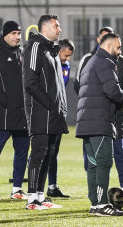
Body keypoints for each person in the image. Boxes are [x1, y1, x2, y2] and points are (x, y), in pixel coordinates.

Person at [75, 26, 123, 197]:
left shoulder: (91, 61)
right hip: (99, 121)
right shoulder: (105, 62)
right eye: (118, 47)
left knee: (94, 164)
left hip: (87, 122)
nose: (119, 51)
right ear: (109, 46)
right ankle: (102, 202)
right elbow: (112, 90)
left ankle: (95, 202)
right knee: (104, 162)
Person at [23, 14, 68, 210]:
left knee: (48, 154)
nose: (60, 30)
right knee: (39, 153)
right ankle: (31, 199)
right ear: (45, 28)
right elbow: (30, 82)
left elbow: (57, 86)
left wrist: (59, 107)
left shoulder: (52, 51)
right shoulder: (35, 47)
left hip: (53, 113)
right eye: (56, 26)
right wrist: (49, 104)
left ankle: (40, 196)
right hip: (40, 112)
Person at [0, 21, 30, 201]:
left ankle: (17, 189)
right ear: (4, 35)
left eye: (19, 33)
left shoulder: (21, 52)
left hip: (22, 113)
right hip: (4, 113)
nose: (17, 36)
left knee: (22, 152)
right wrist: (6, 101)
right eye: (14, 33)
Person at [47, 39, 75, 198]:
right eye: (66, 55)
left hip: (58, 112)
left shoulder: (65, 66)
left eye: (69, 56)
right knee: (44, 150)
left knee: (53, 151)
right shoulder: (49, 63)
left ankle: (52, 186)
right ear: (59, 52)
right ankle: (34, 189)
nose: (68, 59)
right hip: (46, 112)